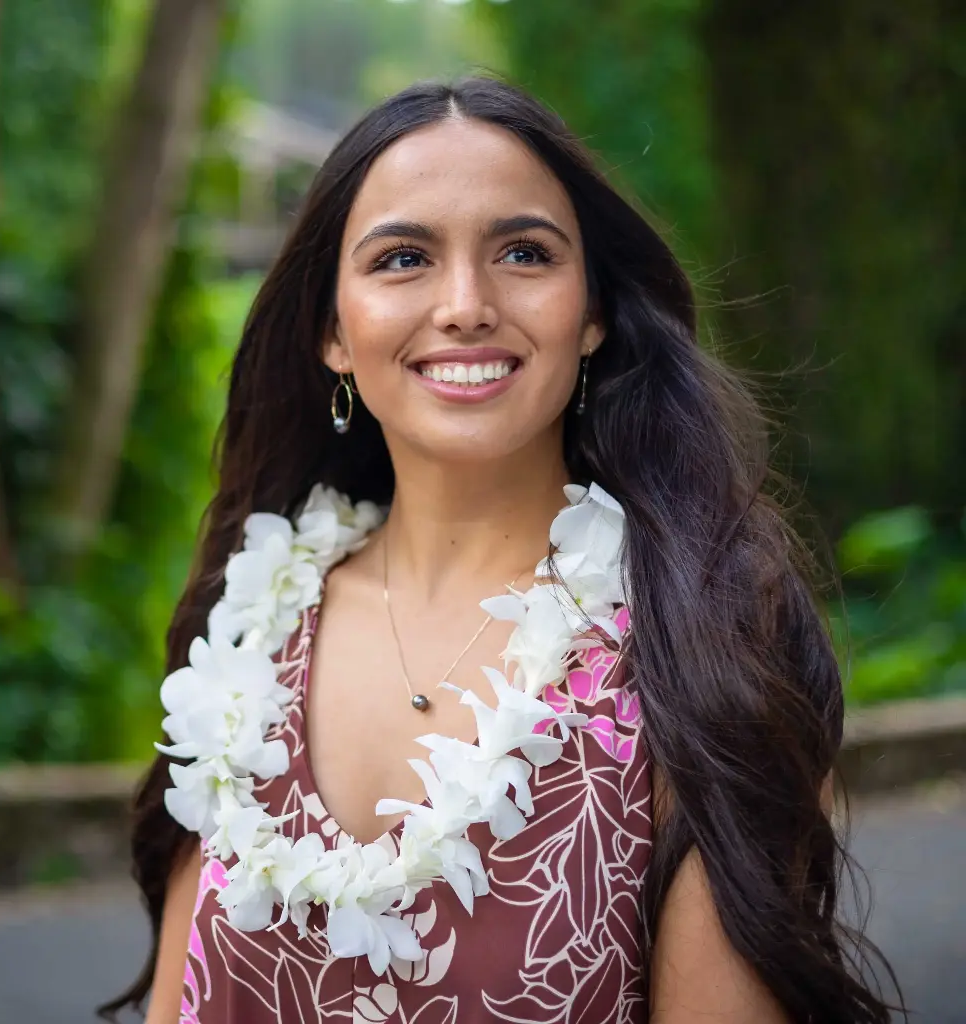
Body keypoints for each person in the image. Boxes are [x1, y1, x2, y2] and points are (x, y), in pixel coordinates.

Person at [102, 77, 899, 1024]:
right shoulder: (247, 637)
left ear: (593, 311)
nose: (467, 305)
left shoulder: (702, 641)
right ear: (332, 331)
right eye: (404, 258)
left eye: (524, 252)